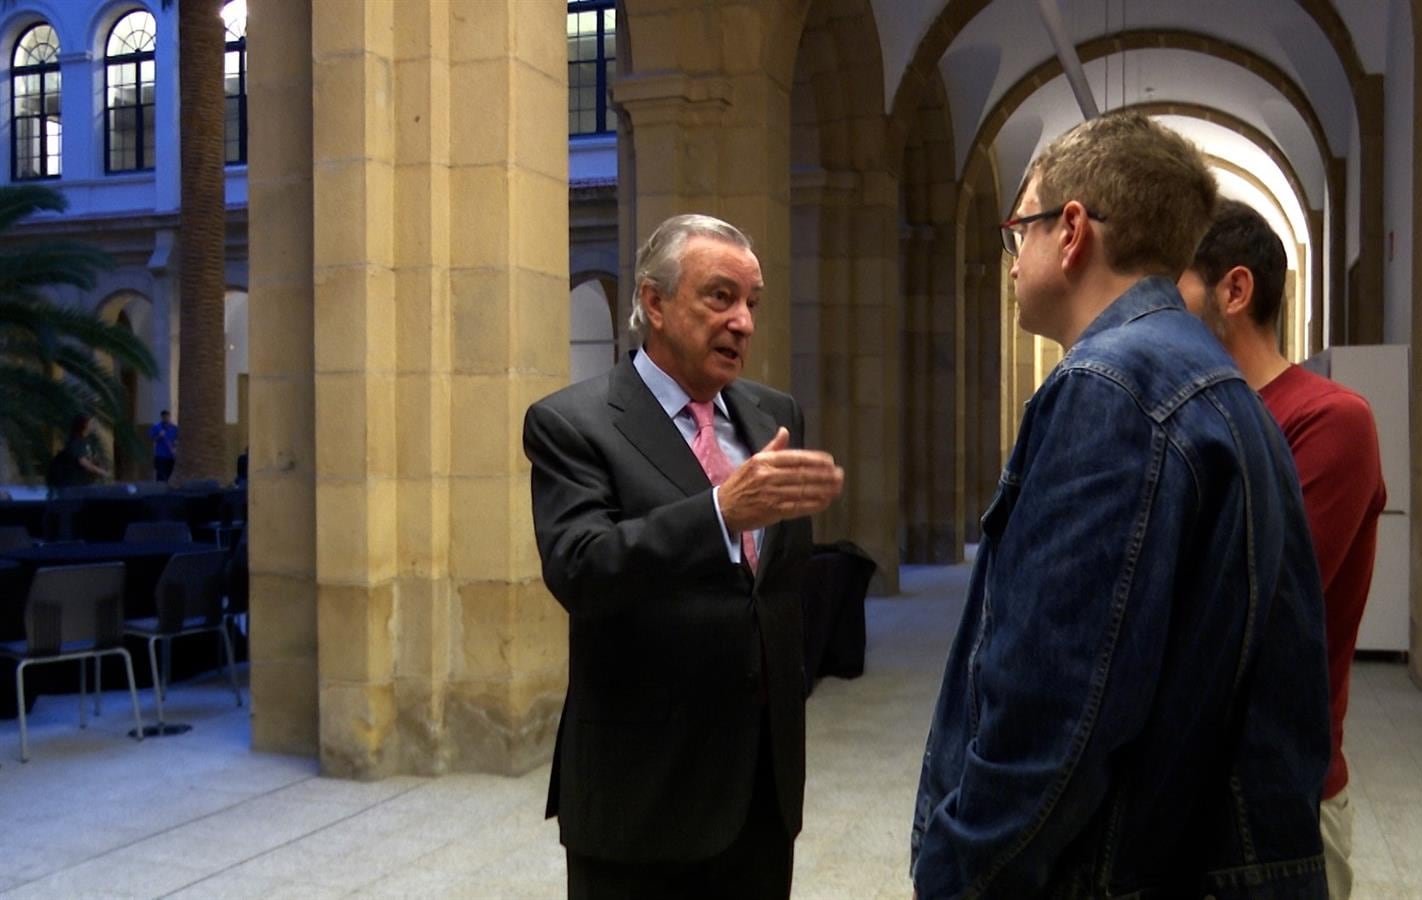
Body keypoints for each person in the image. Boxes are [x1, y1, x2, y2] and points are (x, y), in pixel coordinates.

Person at [910, 113, 1330, 899]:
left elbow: (1053, 710)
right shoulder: (1217, 381)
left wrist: (960, 872)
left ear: (1070, 231)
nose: (1010, 262)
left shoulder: (1109, 389)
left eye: (1018, 231)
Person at [523, 214, 845, 900]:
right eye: (720, 297)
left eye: (752, 303)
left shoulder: (772, 413)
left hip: (762, 789)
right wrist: (720, 512)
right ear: (655, 302)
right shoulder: (572, 424)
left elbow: (777, 585)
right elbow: (581, 567)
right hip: (642, 794)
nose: (743, 322)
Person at [1179, 199, 1387, 900]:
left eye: (1172, 287)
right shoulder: (1193, 415)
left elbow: (1245, 602)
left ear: (1234, 290)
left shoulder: (1330, 419)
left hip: (1280, 794)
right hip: (1181, 787)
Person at [50, 413, 110, 491]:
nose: (94, 425)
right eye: (91, 422)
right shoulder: (76, 441)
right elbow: (83, 462)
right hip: (74, 486)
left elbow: (89, 458)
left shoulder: (86, 440)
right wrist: (101, 472)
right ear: (85, 425)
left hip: (84, 484)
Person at [149, 409, 179, 482]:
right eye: (164, 417)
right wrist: (159, 436)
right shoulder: (157, 427)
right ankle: (160, 490)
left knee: (169, 474)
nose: (166, 418)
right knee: (161, 476)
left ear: (170, 417)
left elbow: (179, 439)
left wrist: (176, 444)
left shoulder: (174, 428)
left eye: (167, 417)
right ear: (161, 417)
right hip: (160, 456)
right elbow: (152, 438)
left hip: (171, 456)